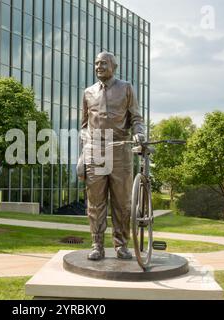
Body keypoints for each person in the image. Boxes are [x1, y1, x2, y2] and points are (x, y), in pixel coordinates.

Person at [78, 52, 145, 261]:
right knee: (95, 203)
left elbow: (136, 118)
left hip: (120, 150)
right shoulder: (88, 93)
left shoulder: (126, 88)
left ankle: (121, 245)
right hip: (95, 150)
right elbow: (83, 127)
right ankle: (97, 245)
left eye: (103, 63)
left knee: (122, 203)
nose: (99, 66)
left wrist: (139, 133)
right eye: (96, 63)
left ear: (113, 66)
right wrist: (84, 153)